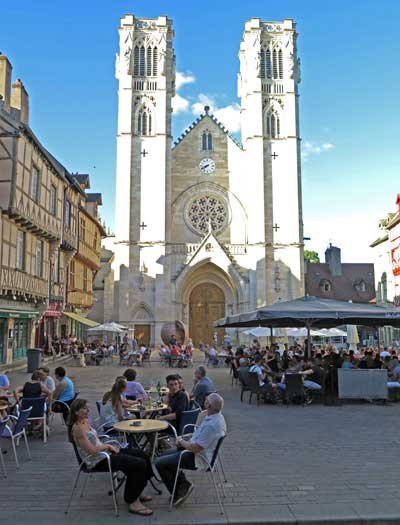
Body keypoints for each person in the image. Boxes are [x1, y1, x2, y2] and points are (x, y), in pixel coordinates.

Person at [68, 398, 153, 515]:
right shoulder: (78, 429)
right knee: (138, 464)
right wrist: (108, 446)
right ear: (76, 412)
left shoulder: (85, 421)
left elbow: (96, 442)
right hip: (97, 461)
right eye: (84, 409)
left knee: (141, 454)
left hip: (104, 454)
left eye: (88, 408)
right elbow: (92, 451)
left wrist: (109, 446)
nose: (88, 410)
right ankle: (133, 501)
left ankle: (137, 490)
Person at [155, 393, 226, 507]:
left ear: (209, 405)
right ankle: (183, 485)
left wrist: (181, 441)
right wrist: (185, 439)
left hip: (198, 457)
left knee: (159, 463)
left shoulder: (212, 425)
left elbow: (195, 448)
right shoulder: (216, 416)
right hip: (198, 451)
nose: (204, 401)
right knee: (163, 457)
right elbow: (199, 437)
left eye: (206, 400)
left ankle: (177, 492)